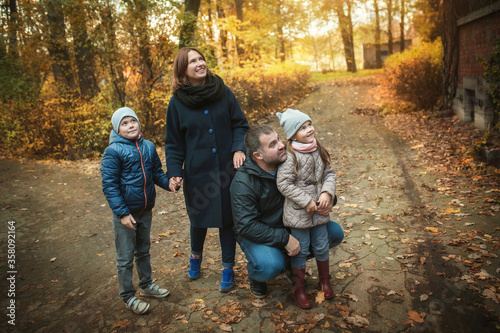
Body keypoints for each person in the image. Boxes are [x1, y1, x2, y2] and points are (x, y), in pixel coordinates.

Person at [165, 47, 249, 292]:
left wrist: (238, 149)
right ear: (183, 70)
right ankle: (195, 256)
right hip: (197, 172)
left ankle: (227, 268)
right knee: (198, 217)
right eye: (193, 61)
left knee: (227, 219)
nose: (200, 63)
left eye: (201, 59)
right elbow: (173, 142)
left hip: (226, 169)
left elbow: (240, 125)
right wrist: (174, 171)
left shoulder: (223, 92)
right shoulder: (177, 103)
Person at [230, 124, 343, 302]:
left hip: (294, 224)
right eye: (273, 144)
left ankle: (291, 264)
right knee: (269, 266)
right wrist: (285, 239)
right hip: (259, 233)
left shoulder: (290, 161)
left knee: (334, 233)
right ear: (258, 156)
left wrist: (328, 197)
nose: (282, 145)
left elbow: (318, 180)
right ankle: (256, 275)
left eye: (279, 139)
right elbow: (246, 225)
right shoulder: (243, 183)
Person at [101, 107, 171, 315]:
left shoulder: (148, 147)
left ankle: (147, 285)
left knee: (143, 251)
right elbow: (110, 185)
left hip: (144, 211)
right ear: (117, 128)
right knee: (125, 257)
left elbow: (157, 173)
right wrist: (122, 213)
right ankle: (128, 296)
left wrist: (170, 184)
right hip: (126, 214)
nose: (130, 125)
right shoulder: (113, 151)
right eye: (124, 123)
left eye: (133, 121)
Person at [276, 108, 336, 309]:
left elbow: (329, 172)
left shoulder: (317, 148)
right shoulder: (290, 156)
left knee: (321, 244)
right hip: (299, 213)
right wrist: (305, 201)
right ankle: (299, 288)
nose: (309, 129)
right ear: (293, 135)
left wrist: (327, 193)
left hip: (320, 210)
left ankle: (324, 280)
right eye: (302, 128)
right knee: (300, 251)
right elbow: (284, 184)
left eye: (309, 124)